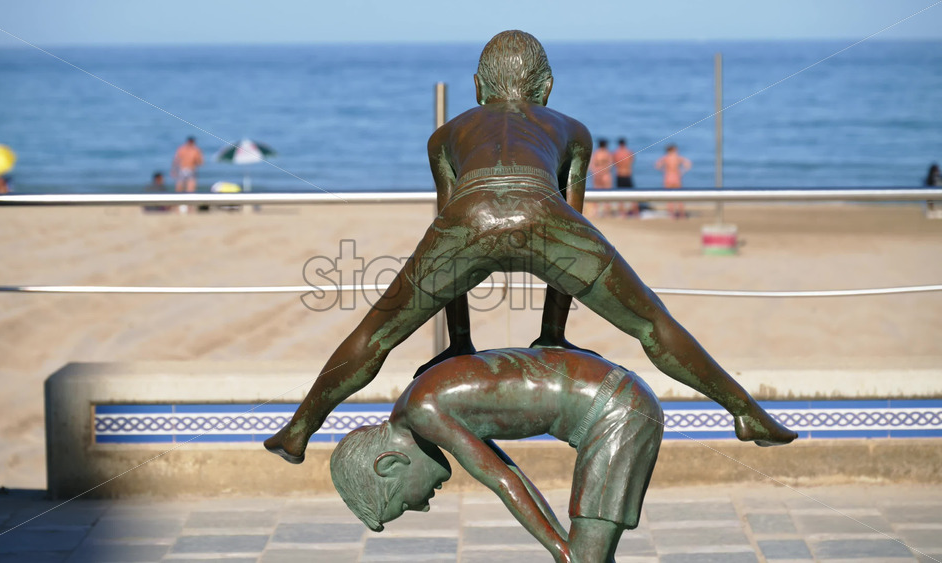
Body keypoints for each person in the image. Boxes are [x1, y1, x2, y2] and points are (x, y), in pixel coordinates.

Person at [264, 30, 795, 465]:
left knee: (374, 334)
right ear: (547, 88)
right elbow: (573, 222)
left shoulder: (445, 135)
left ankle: (299, 429)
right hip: (544, 216)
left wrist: (460, 342)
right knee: (651, 323)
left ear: (477, 87)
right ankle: (744, 411)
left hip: (468, 219)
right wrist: (552, 335)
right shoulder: (572, 130)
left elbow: (446, 223)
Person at [330, 347, 663, 563]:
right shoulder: (420, 400)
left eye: (404, 504)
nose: (424, 506)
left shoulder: (423, 412)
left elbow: (502, 481)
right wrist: (561, 546)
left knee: (586, 559)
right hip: (620, 399)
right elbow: (511, 475)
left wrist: (561, 550)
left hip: (617, 414)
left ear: (389, 464)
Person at [655, 144, 691, 219]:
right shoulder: (678, 158)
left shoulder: (666, 158)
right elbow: (688, 164)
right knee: (679, 197)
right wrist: (682, 171)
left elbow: (657, 165)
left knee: (669, 197)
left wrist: (664, 170)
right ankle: (682, 214)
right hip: (676, 177)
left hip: (668, 177)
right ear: (673, 150)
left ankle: (672, 215)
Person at [172, 136, 203, 213]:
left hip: (186, 169)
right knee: (183, 189)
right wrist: (174, 170)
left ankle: (186, 207)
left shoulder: (185, 149)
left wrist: (174, 170)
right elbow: (200, 162)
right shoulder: (193, 150)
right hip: (186, 169)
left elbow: (176, 160)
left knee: (186, 189)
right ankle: (183, 207)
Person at [585, 138, 614, 218]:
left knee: (596, 192)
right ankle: (606, 211)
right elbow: (610, 164)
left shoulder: (596, 153)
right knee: (607, 193)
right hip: (605, 174)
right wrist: (603, 172)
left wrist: (596, 172)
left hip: (597, 173)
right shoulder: (607, 153)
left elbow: (592, 165)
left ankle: (596, 211)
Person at [612, 138, 638, 217]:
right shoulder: (629, 152)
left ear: (619, 144)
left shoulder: (616, 153)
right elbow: (632, 161)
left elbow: (614, 163)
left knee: (620, 194)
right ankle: (635, 211)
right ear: (625, 143)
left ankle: (622, 212)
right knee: (632, 193)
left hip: (619, 175)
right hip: (627, 174)